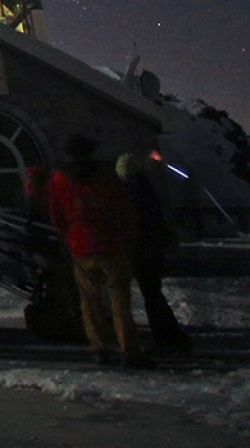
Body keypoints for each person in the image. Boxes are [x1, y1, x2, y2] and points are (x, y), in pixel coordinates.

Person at [48, 135, 146, 366]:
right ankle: (128, 347)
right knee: (119, 297)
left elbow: (56, 213)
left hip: (80, 243)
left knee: (89, 298)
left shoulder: (60, 178)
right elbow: (123, 207)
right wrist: (129, 236)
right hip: (110, 241)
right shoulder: (106, 176)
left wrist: (67, 235)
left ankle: (100, 345)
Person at [118, 152, 189, 355]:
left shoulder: (134, 191)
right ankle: (167, 335)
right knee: (153, 293)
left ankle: (167, 337)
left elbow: (137, 220)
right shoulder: (145, 187)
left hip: (144, 248)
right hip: (152, 246)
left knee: (152, 294)